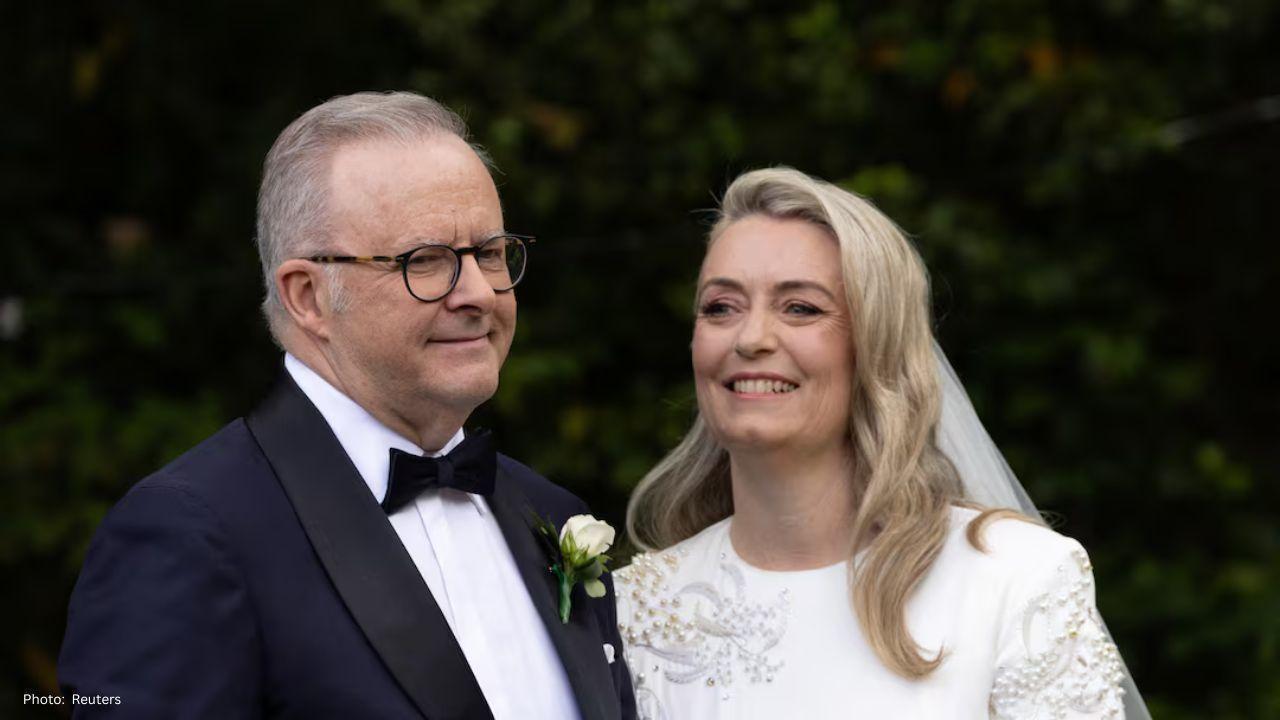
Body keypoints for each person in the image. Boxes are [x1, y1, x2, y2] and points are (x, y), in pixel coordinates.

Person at [58, 91, 636, 720]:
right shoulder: (192, 535)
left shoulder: (550, 513)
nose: (477, 293)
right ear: (308, 297)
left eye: (490, 254)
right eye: (426, 261)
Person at [616, 167, 1146, 719]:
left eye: (800, 308)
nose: (751, 338)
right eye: (720, 307)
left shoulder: (1013, 579)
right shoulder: (637, 611)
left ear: (876, 343)